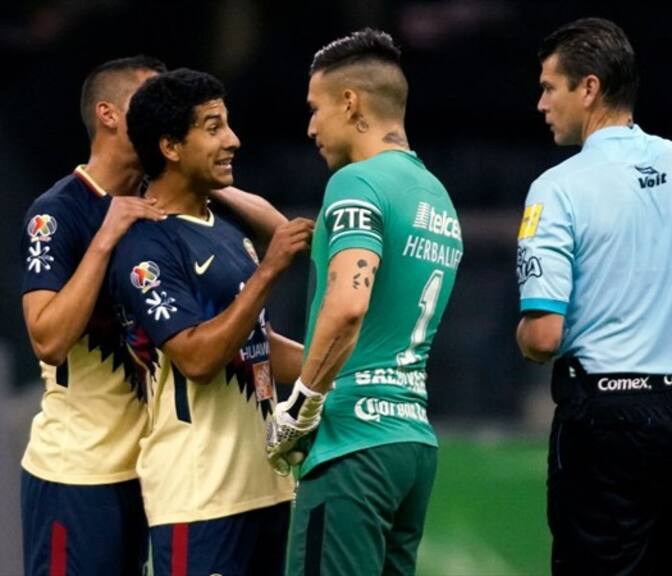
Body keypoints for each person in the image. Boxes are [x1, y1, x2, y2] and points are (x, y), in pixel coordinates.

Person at [516, 17, 672, 575]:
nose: (540, 104)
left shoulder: (557, 188)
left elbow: (542, 337)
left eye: (548, 86)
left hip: (608, 420)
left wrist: (524, 337)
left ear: (589, 88)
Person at [20, 56, 289, 576]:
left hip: (154, 468)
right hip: (82, 470)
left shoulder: (161, 203)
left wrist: (211, 179)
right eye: (148, 98)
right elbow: (47, 340)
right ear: (109, 115)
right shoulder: (59, 212)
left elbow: (281, 234)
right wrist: (104, 241)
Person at [265, 28, 463, 575]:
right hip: (411, 444)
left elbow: (350, 305)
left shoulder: (357, 183)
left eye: (315, 109)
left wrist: (302, 405)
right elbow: (376, 333)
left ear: (349, 102)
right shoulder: (437, 197)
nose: (310, 127)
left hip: (352, 443)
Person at [109, 67, 313, 575]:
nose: (233, 141)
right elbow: (197, 357)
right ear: (171, 147)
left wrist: (337, 365)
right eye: (214, 126)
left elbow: (256, 344)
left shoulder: (223, 230)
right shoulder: (146, 243)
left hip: (266, 486)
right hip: (199, 498)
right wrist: (268, 271)